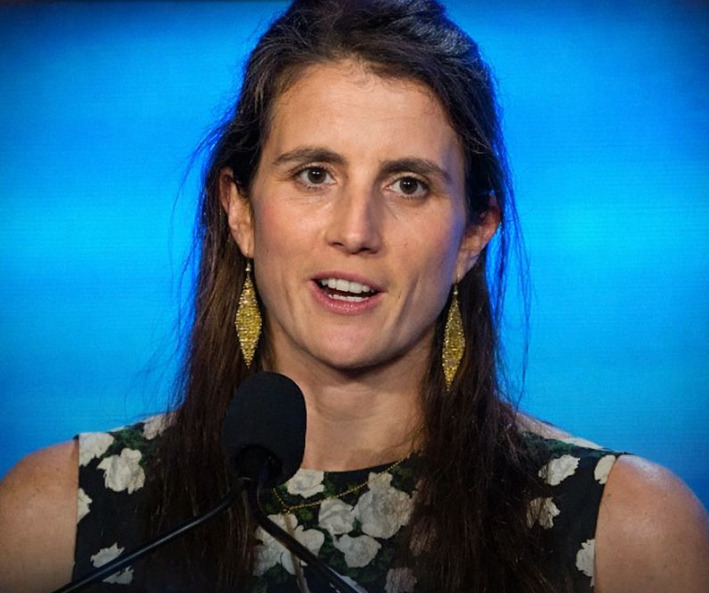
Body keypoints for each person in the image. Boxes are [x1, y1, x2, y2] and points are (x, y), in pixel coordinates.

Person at [1, 0, 708, 591]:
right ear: (240, 209)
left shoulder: (628, 533)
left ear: (473, 232)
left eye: (408, 184)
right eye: (315, 174)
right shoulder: (49, 520)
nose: (355, 231)